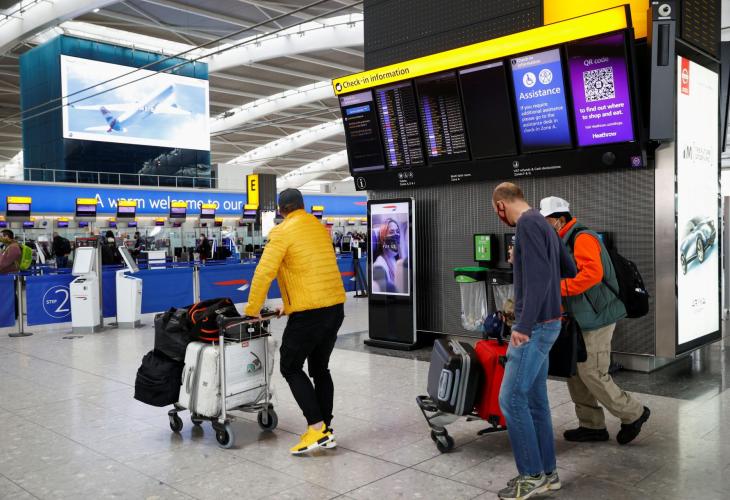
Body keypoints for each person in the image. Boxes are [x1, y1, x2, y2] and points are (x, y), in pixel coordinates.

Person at [540, 196, 650, 445]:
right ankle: (591, 425)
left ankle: (634, 413)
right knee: (575, 373)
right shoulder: (561, 241)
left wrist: (558, 288)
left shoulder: (582, 238)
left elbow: (592, 274)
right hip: (578, 318)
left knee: (592, 371)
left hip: (598, 317)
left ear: (559, 220)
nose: (545, 226)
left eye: (547, 221)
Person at [244, 188, 346, 455]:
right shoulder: (318, 228)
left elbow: (264, 272)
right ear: (303, 205)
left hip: (310, 314)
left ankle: (316, 428)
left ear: (281, 210)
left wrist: (252, 309)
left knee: (290, 366)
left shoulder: (281, 232)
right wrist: (288, 305)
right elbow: (311, 272)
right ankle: (326, 429)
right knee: (320, 369)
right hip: (335, 308)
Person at [492, 183, 576, 500]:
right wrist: (523, 259)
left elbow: (540, 277)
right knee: (536, 401)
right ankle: (549, 474)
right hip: (551, 322)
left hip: (535, 326)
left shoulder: (526, 224)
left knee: (511, 399)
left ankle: (531, 475)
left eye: (496, 210)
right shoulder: (543, 222)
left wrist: (523, 324)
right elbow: (568, 267)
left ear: (501, 205)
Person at [371, 218, 401, 293]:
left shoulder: (394, 259)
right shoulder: (379, 266)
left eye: (397, 231)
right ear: (383, 238)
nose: (396, 234)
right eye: (391, 232)